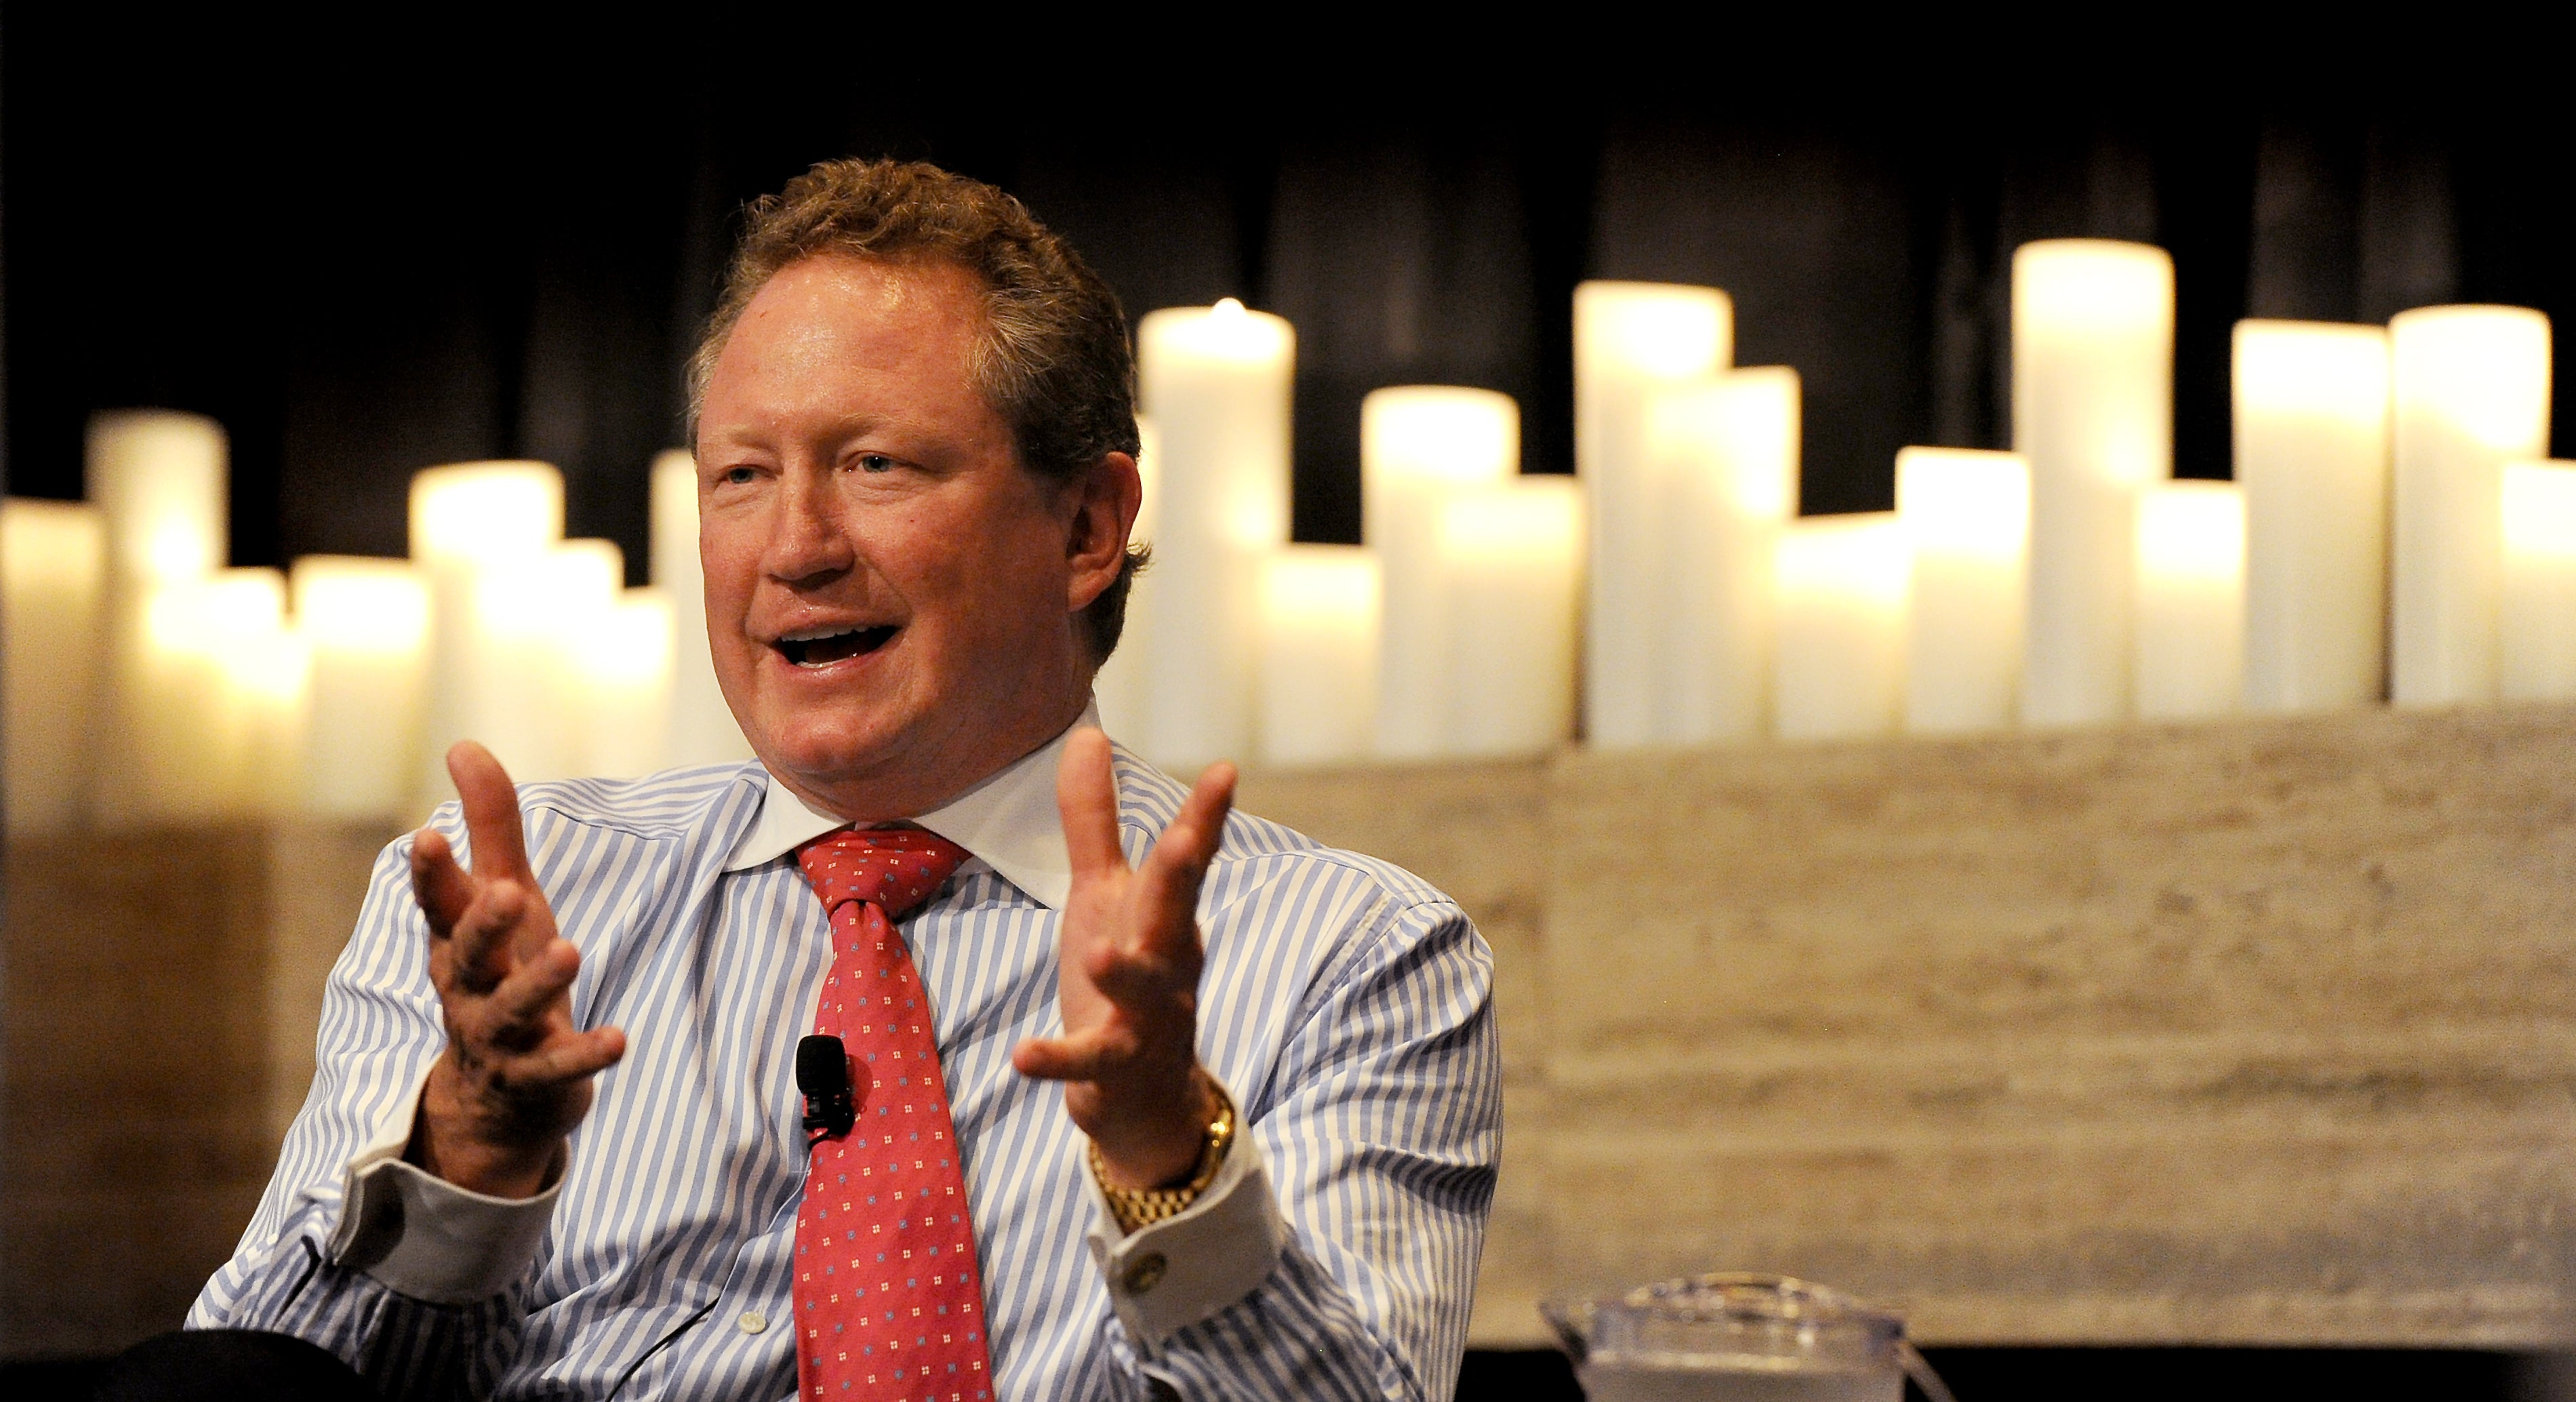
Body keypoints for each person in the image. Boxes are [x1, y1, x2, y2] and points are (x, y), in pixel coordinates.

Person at [180, 158, 1500, 1401]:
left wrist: (1168, 1147)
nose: (796, 546)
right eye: (742, 476)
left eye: (877, 465)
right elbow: (244, 1385)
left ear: (1088, 527)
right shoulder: (513, 913)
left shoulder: (1355, 953)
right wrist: (468, 1143)